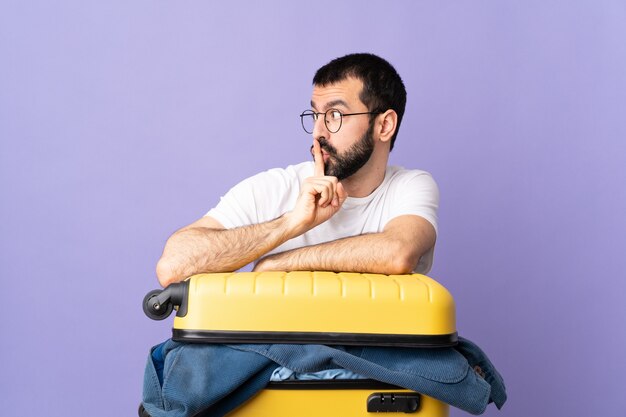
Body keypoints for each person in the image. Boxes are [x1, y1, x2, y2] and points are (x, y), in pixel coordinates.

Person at [155, 53, 439, 288]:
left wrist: (279, 262)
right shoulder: (275, 188)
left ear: (384, 125)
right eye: (315, 115)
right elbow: (172, 266)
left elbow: (398, 253)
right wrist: (290, 223)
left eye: (335, 115)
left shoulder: (410, 186)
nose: (317, 132)